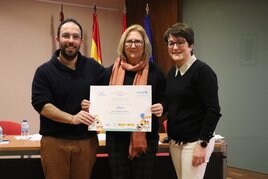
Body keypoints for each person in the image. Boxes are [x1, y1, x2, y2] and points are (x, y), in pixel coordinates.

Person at [31, 18, 106, 179]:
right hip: (55, 142)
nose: (71, 41)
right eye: (66, 36)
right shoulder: (44, 71)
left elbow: (109, 92)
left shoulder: (94, 67)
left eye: (75, 36)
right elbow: (42, 105)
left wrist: (95, 105)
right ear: (58, 39)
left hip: (87, 142)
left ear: (81, 40)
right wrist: (72, 118)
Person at [105, 24, 165, 179]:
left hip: (146, 139)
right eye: (129, 41)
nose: (133, 45)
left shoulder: (156, 73)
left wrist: (162, 107)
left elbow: (166, 100)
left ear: (145, 45)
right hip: (116, 139)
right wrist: (91, 106)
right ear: (123, 45)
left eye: (138, 42)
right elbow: (101, 100)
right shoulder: (109, 72)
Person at [163, 23, 222, 179]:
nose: (175, 47)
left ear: (191, 45)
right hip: (175, 142)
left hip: (195, 142)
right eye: (171, 43)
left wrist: (202, 144)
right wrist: (160, 108)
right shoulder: (172, 73)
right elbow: (170, 103)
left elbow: (213, 110)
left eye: (180, 42)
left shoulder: (203, 72)